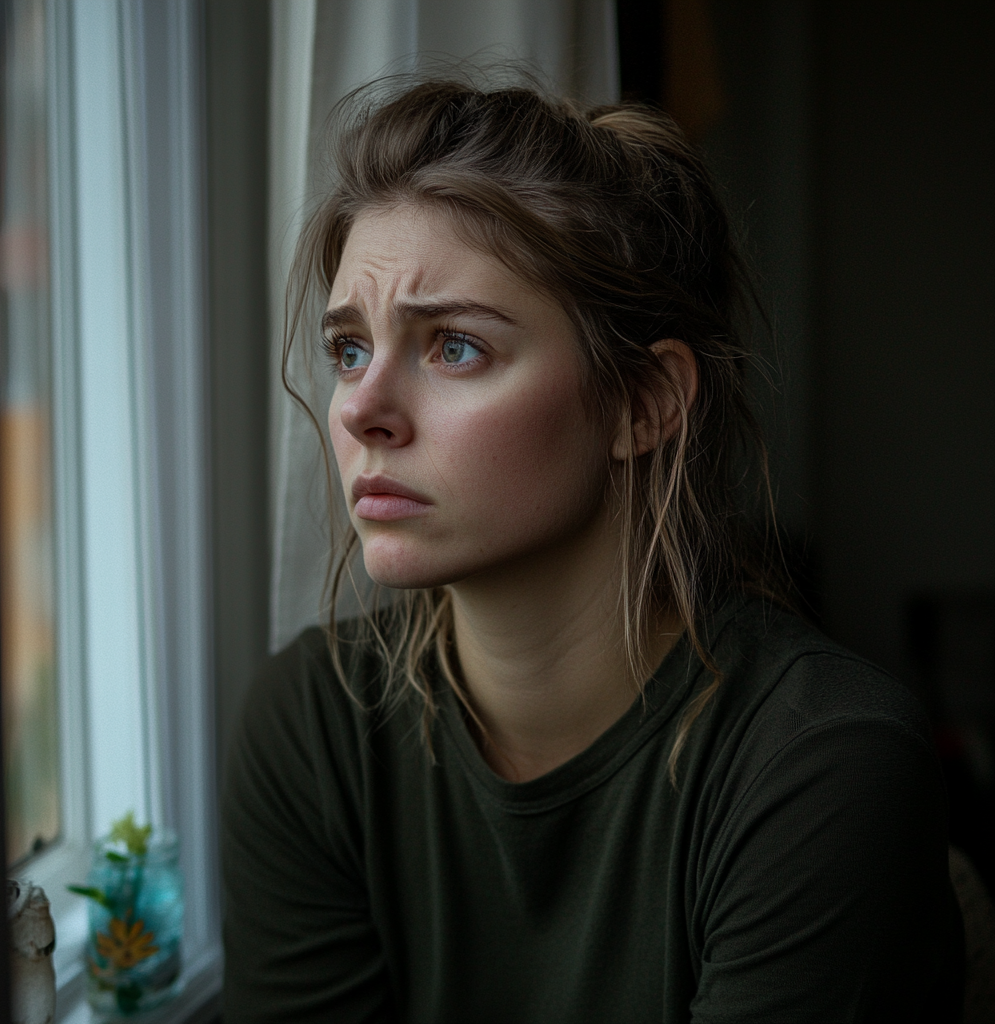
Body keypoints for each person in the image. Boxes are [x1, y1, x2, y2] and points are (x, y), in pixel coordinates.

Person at [221, 78, 963, 1023]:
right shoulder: (313, 730)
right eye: (351, 350)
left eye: (454, 347)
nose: (361, 410)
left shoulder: (821, 767)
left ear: (644, 403)